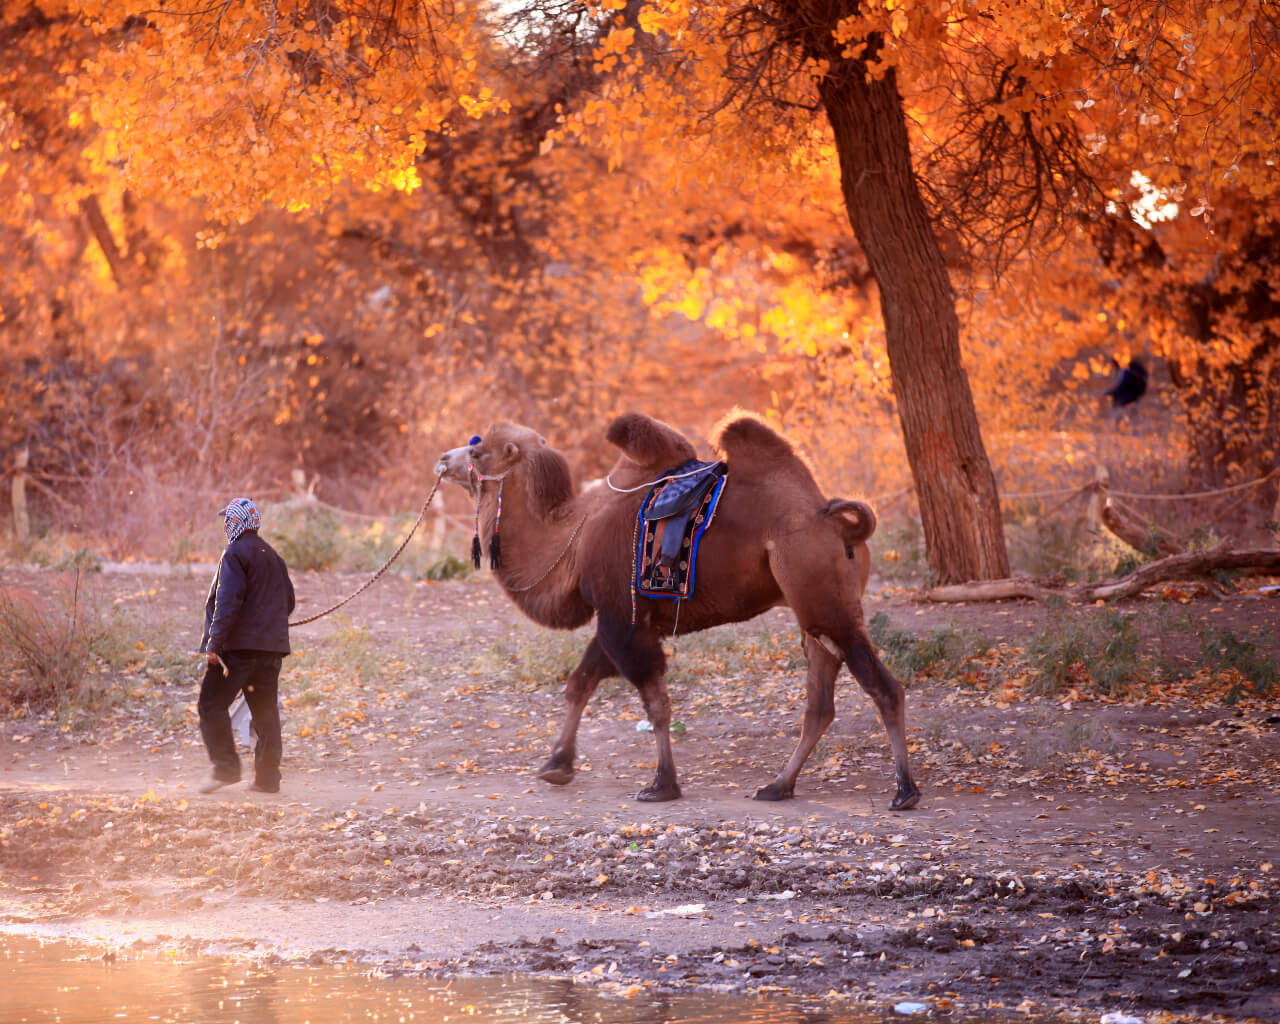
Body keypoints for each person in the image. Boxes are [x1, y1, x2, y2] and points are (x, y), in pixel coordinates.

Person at [197, 497, 294, 794]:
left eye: (228, 520)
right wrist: (265, 626)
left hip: (238, 651)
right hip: (271, 651)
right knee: (265, 713)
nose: (226, 525)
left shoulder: (234, 553)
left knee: (211, 704)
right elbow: (288, 602)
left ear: (237, 523)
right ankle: (267, 780)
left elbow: (228, 601)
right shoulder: (273, 556)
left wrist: (214, 643)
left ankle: (226, 768)